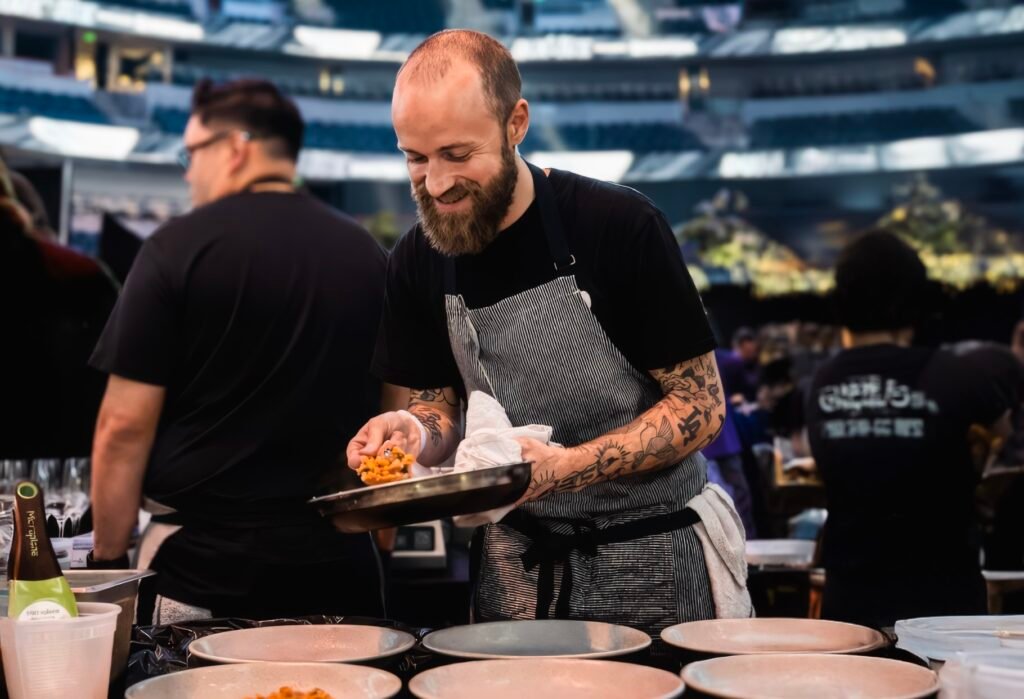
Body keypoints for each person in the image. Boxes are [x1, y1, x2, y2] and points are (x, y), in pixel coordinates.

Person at [347, 30, 729, 635]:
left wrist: (564, 467)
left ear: (515, 123)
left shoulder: (617, 226)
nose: (437, 184)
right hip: (515, 569)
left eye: (457, 153)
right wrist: (414, 434)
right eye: (415, 159)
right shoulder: (417, 259)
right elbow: (441, 408)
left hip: (650, 556)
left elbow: (700, 408)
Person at [88, 79, 388, 623]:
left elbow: (122, 427)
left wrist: (109, 562)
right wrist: (381, 540)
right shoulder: (367, 253)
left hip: (200, 574)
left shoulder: (176, 248)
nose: (186, 171)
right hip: (340, 565)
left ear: (235, 148)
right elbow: (397, 409)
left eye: (191, 153)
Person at [806, 231, 1011, 629]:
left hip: (851, 605)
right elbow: (1002, 436)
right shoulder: (959, 374)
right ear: (917, 300)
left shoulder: (822, 383)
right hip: (946, 608)